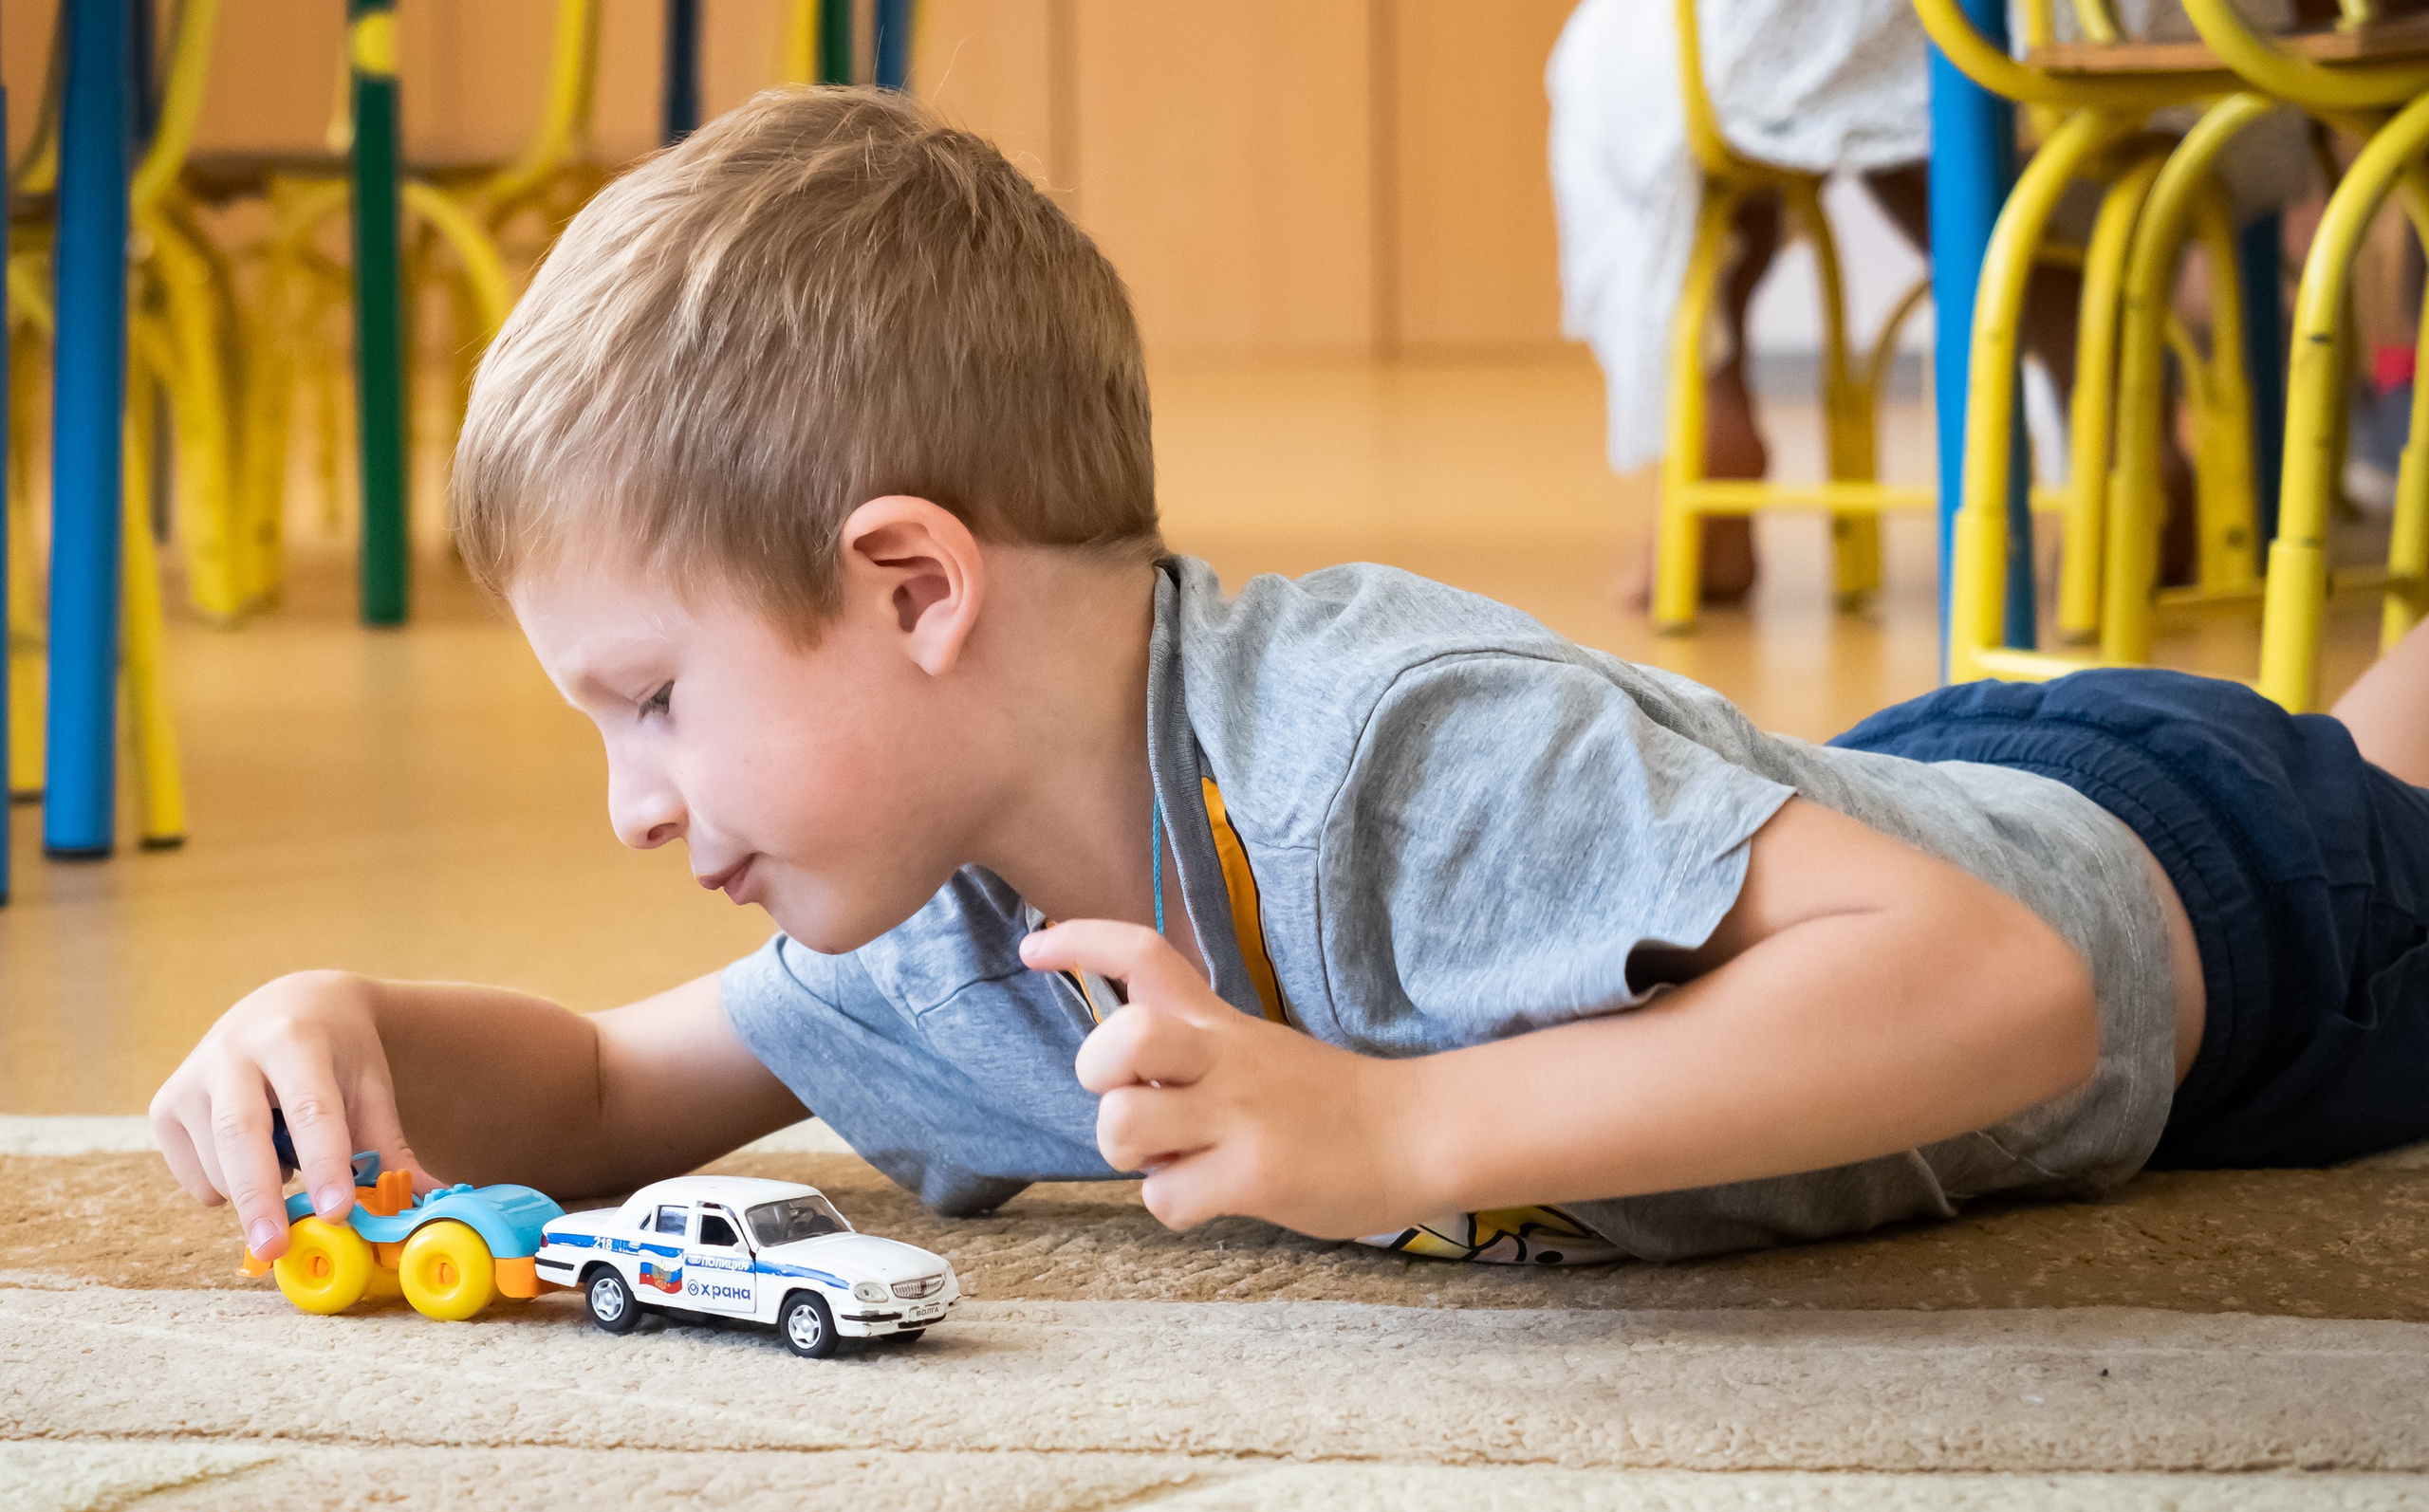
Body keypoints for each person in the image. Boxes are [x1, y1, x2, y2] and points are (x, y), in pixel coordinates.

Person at [152, 89, 2429, 1272]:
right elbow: (601, 1094)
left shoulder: (1373, 749)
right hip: (1859, 800)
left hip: (2213, 918)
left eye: (648, 697)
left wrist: (1399, 1133)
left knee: (2368, 789)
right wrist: (339, 1031)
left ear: (911, 585)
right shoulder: (951, 927)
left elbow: (2004, 983)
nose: (631, 803)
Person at [1547, 0, 2309, 604]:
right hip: (2201, 29)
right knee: (1914, 89)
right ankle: (2113, 401)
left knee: (1627, 68)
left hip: (1896, 39)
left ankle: (1711, 402)